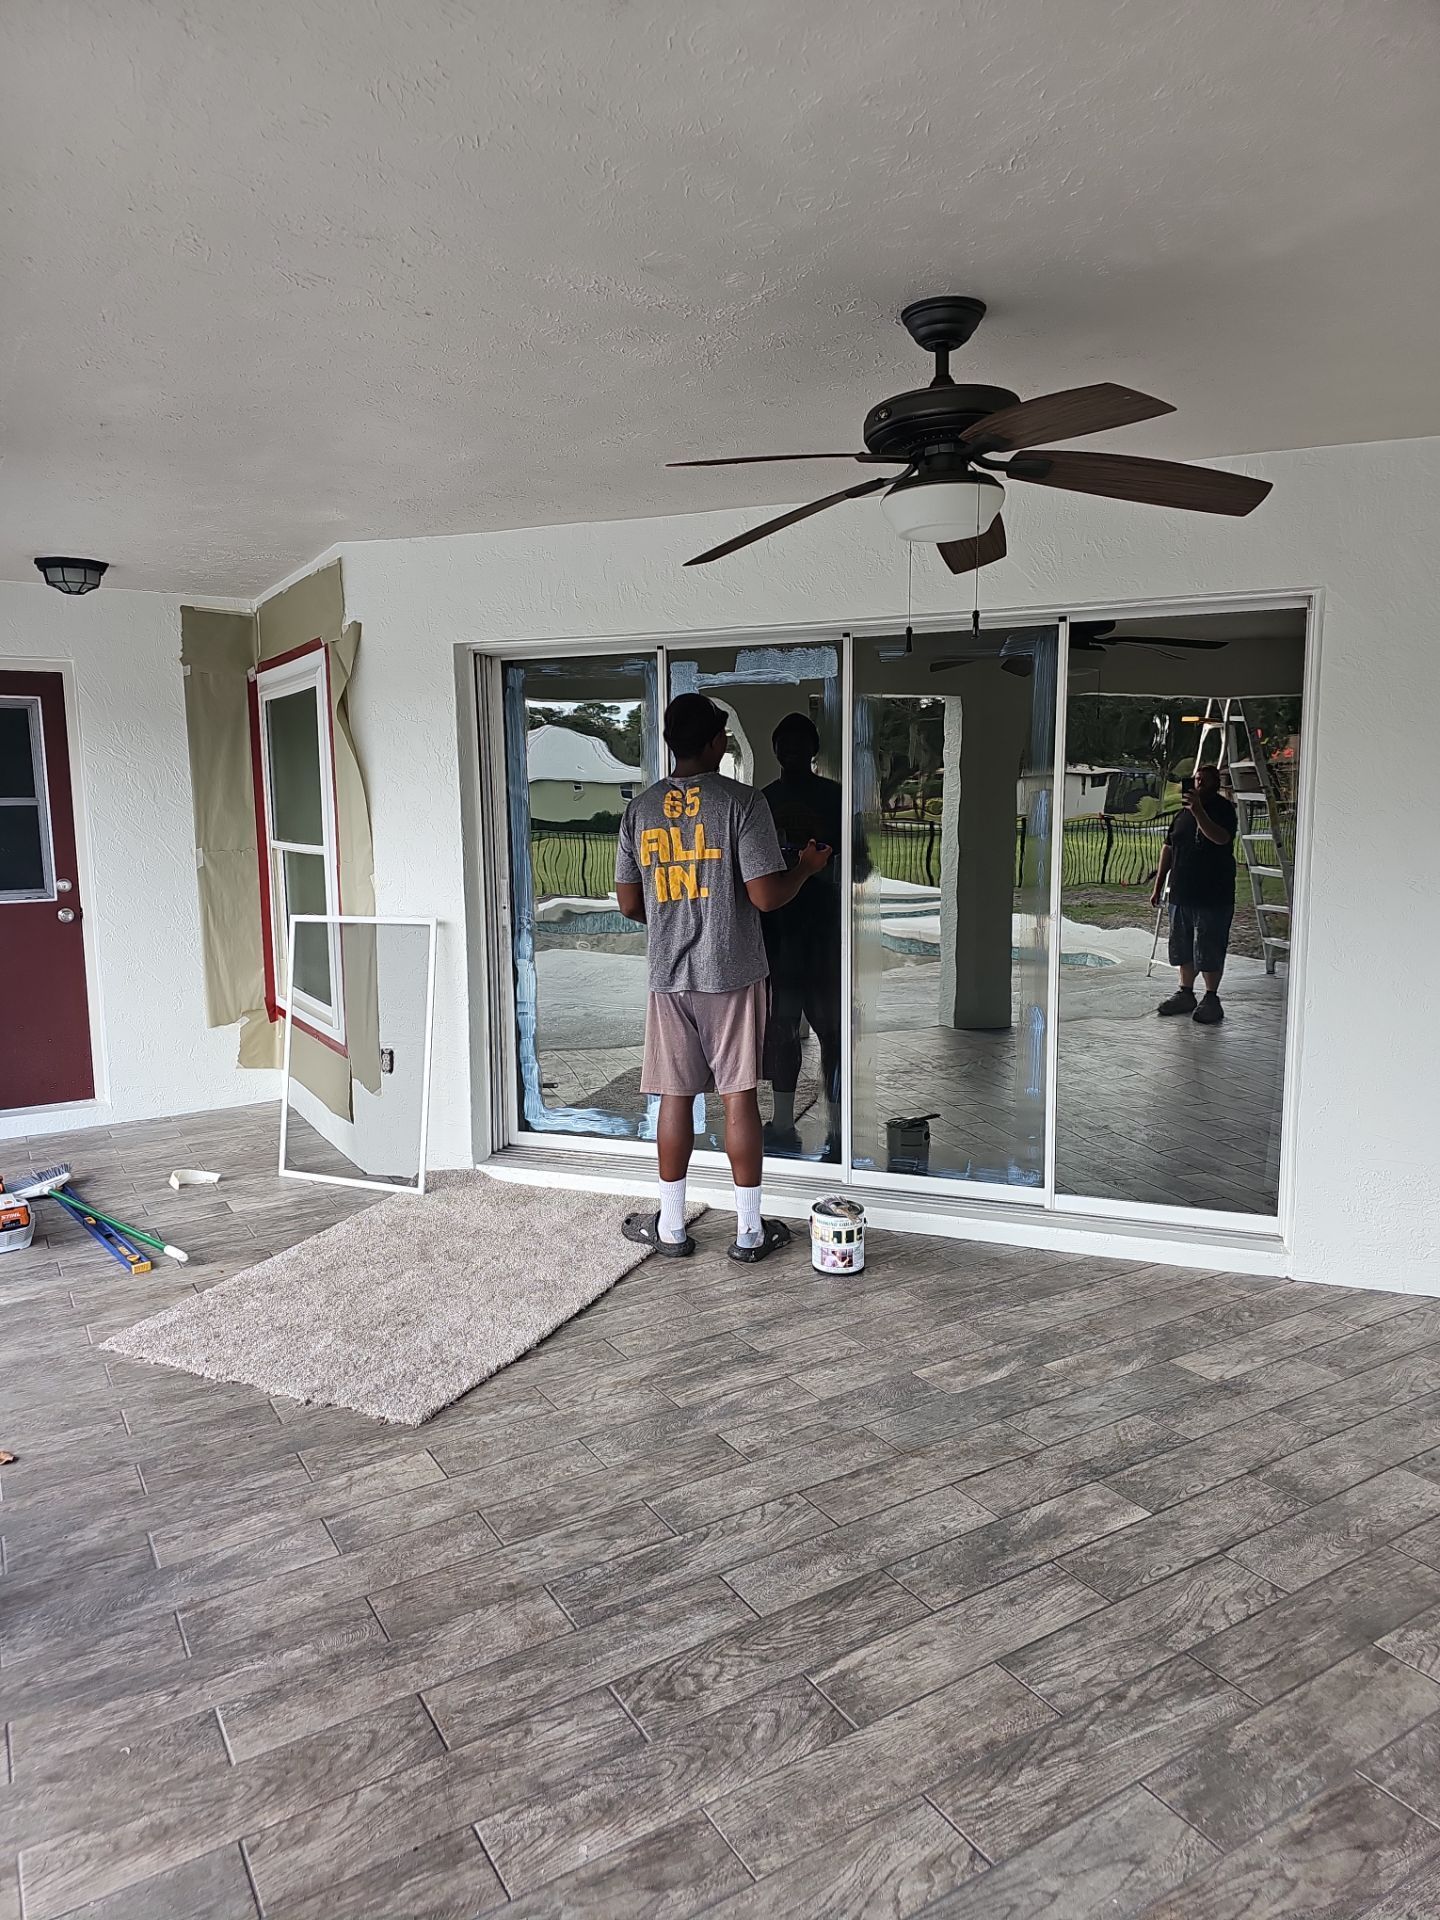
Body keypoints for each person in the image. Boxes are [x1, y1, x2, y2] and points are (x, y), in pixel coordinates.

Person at [614, 693, 831, 1261]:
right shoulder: (742, 802)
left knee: (675, 1097)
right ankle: (749, 1233)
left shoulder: (640, 810)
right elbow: (765, 895)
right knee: (739, 1097)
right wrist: (805, 868)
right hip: (731, 971)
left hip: (669, 975)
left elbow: (630, 903)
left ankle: (671, 1228)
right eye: (724, 737)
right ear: (714, 741)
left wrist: (674, 913)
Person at [760, 712, 862, 1161]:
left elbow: (862, 865)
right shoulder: (762, 802)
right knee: (782, 1029)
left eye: (801, 744)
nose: (793, 752)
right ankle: (782, 1124)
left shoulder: (835, 799)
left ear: (814, 750)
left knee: (831, 1030)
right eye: (786, 744)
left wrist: (822, 864)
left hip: (823, 931)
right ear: (775, 750)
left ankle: (838, 1126)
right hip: (778, 933)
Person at [1151, 763, 1239, 1025]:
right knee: (1183, 945)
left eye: (1204, 780)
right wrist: (1159, 885)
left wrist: (1199, 812)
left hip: (1213, 894)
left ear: (1216, 784)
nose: (1198, 784)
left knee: (1210, 945)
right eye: (1196, 779)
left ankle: (1211, 997)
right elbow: (1168, 847)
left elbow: (1220, 838)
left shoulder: (1223, 810)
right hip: (1182, 892)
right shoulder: (1183, 812)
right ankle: (1185, 992)